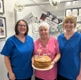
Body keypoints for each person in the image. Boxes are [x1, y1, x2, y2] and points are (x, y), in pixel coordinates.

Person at [57, 16, 81, 80]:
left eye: (71, 22)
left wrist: (80, 75)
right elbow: (57, 53)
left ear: (74, 24)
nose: (68, 24)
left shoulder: (79, 37)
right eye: (66, 22)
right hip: (60, 71)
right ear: (63, 24)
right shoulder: (60, 37)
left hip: (73, 73)